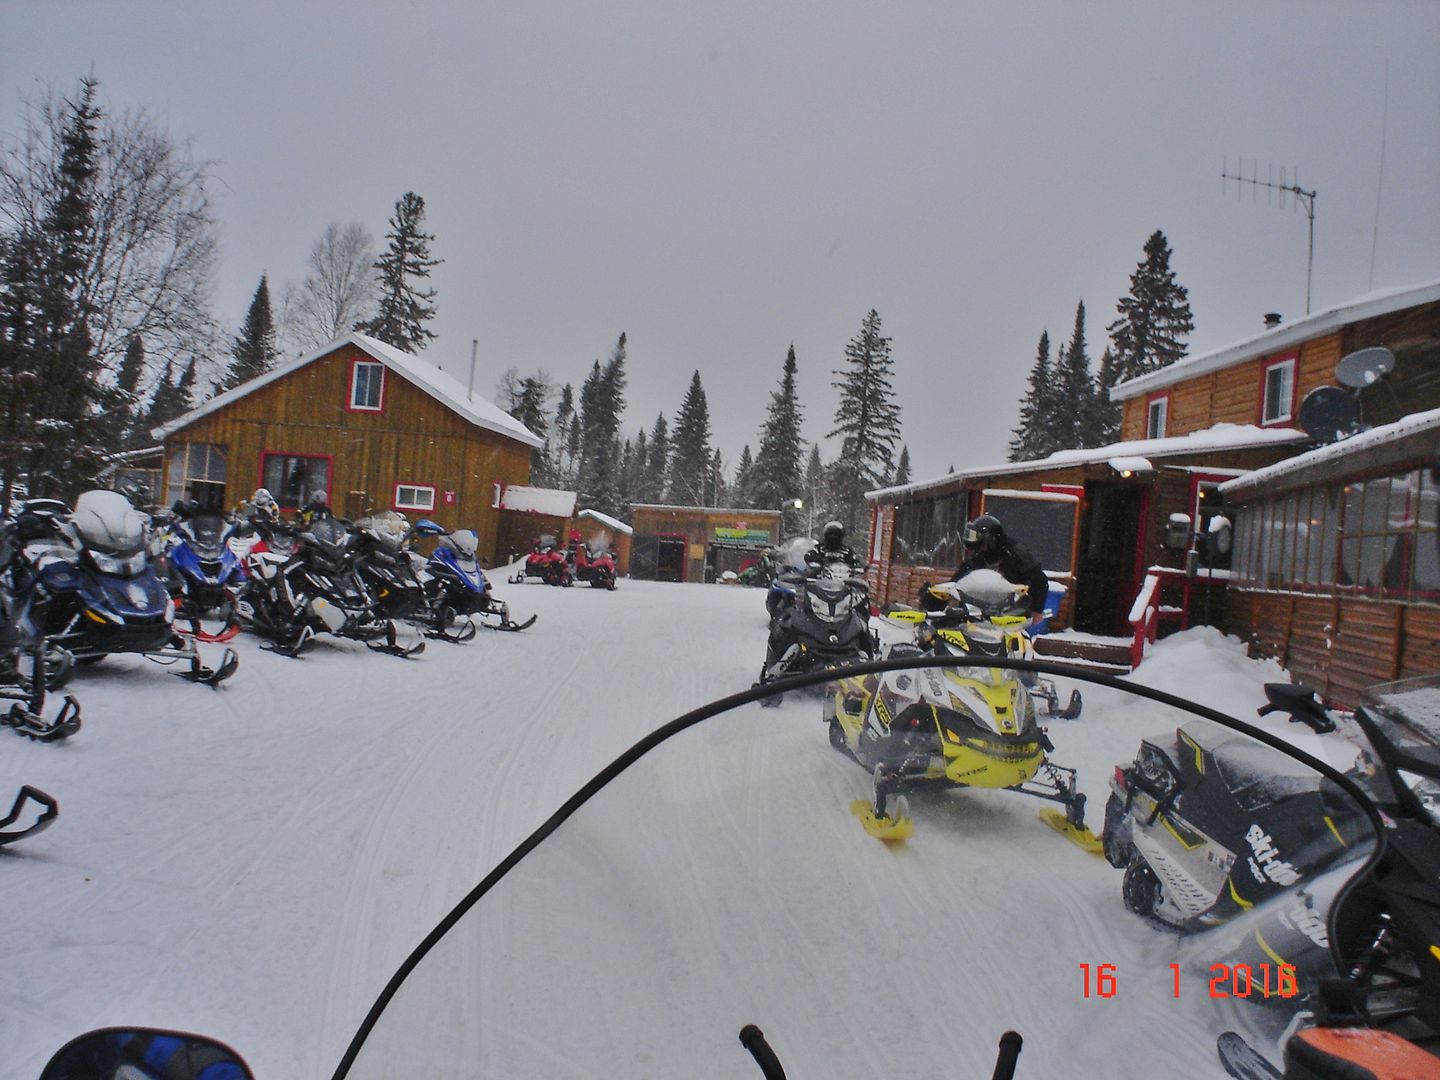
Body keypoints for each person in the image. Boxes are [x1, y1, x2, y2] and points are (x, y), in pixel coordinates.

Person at [927, 514, 1050, 623]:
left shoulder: (1015, 552)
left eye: (982, 546)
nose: (979, 551)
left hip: (1010, 612)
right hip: (978, 611)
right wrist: (938, 596)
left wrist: (1036, 609)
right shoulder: (978, 557)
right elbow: (958, 580)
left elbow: (1039, 580)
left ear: (990, 539)